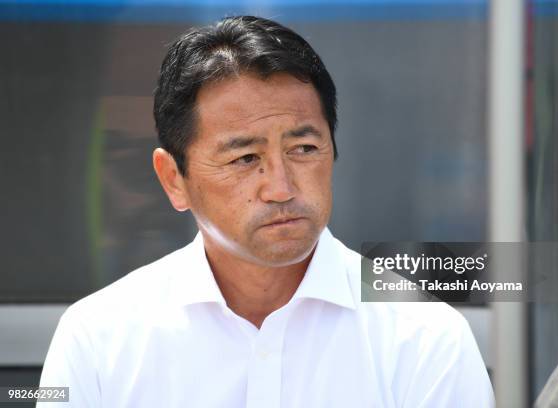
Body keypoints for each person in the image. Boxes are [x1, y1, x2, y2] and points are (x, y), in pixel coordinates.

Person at [38, 15, 494, 407]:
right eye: (244, 158)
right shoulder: (98, 340)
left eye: (303, 147)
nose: (281, 187)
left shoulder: (424, 337)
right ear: (174, 179)